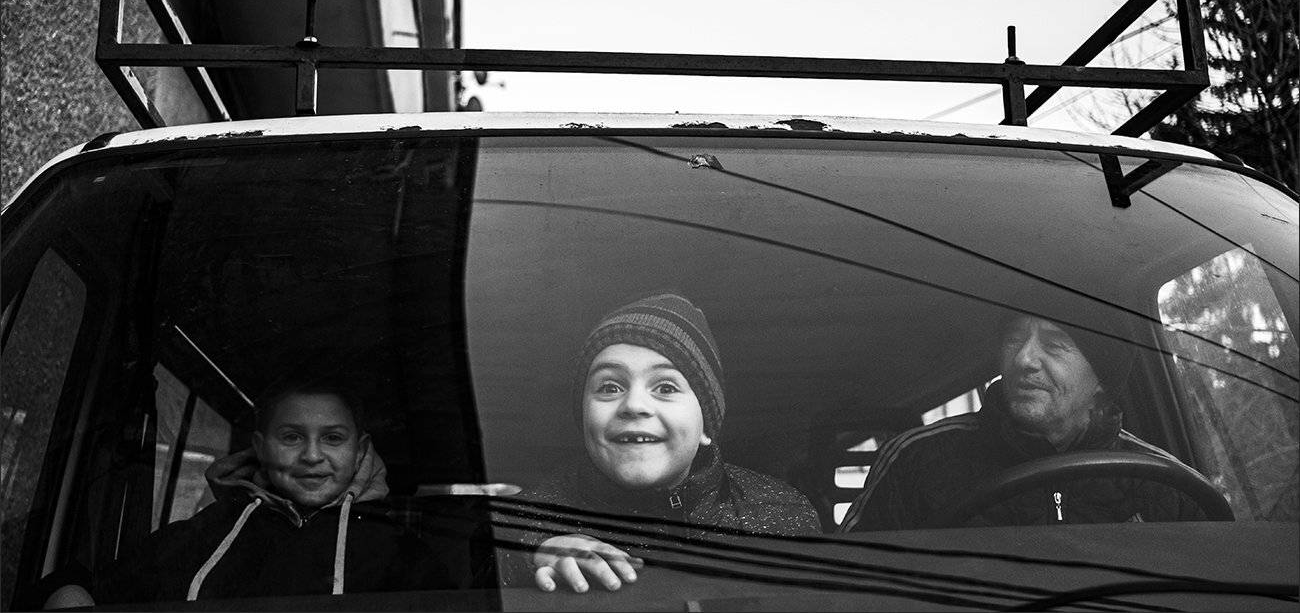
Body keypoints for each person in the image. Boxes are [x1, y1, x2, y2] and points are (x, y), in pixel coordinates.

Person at [510, 292, 822, 594]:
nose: (634, 404)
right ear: (584, 420)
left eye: (666, 387)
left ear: (707, 427)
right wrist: (534, 553)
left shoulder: (781, 511)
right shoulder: (524, 516)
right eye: (609, 386)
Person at [70, 378, 453, 604]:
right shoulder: (205, 533)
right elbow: (91, 587)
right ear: (261, 446)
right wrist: (68, 592)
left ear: (360, 451)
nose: (312, 455)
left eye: (333, 438)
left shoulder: (400, 555)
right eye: (291, 437)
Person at [838, 314, 1207, 532]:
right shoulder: (915, 460)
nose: (1025, 358)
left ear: (1101, 380)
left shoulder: (1167, 482)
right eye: (1015, 339)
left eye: (1055, 344)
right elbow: (845, 589)